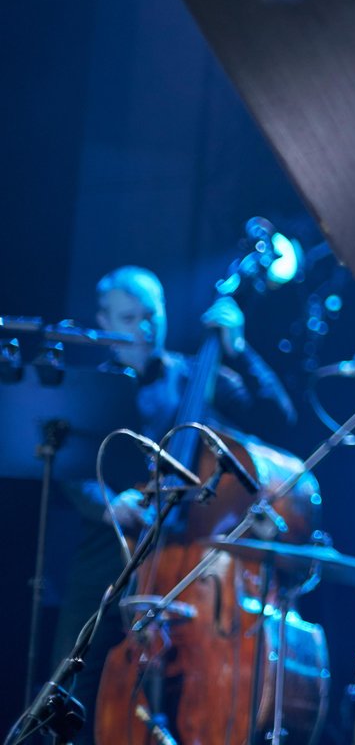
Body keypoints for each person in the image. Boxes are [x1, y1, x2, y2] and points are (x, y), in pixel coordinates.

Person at [47, 265, 296, 740]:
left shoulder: (198, 376)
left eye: (151, 315)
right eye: (128, 318)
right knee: (70, 687)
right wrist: (109, 504)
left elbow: (278, 420)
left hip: (189, 567)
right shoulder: (90, 388)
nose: (143, 328)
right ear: (103, 321)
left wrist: (240, 350)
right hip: (109, 557)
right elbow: (69, 468)